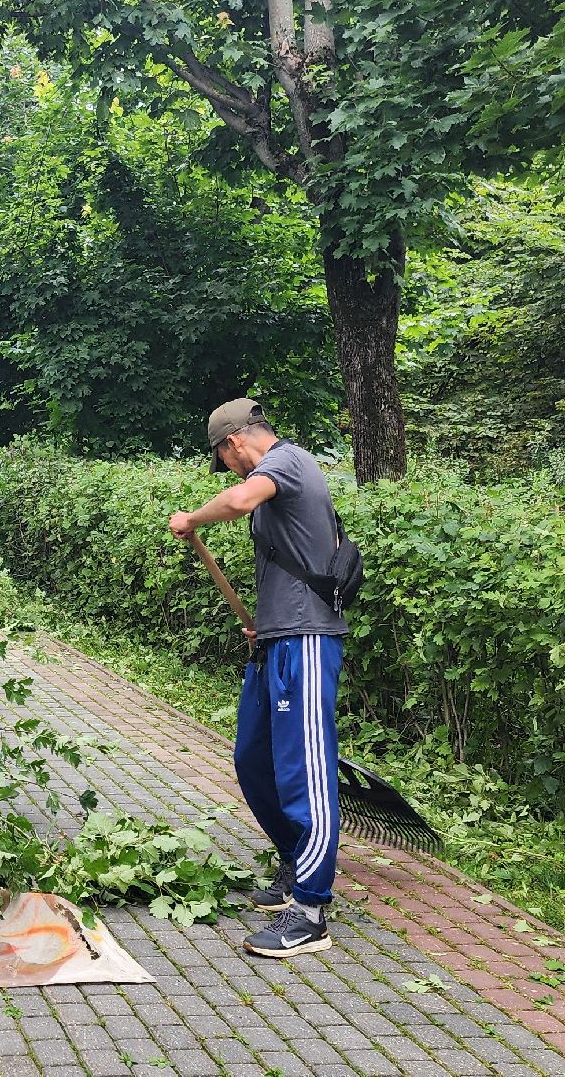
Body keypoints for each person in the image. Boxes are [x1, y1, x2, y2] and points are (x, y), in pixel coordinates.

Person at [166, 398, 346, 959]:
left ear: (236, 442)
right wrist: (264, 625)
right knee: (253, 757)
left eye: (226, 458)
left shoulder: (288, 463)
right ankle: (296, 864)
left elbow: (241, 500)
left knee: (303, 769)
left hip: (307, 640)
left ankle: (311, 910)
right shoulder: (276, 475)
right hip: (274, 638)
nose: (231, 468)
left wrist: (192, 519)